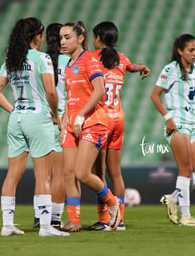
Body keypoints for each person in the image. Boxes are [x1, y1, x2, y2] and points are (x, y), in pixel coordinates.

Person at [0, 17, 69, 237]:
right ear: (36, 36)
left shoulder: (11, 60)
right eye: (41, 35)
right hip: (38, 119)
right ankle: (45, 226)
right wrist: (55, 116)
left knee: (13, 175)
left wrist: (13, 109)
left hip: (17, 120)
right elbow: (51, 92)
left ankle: (7, 225)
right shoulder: (42, 58)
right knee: (43, 176)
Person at [59, 21, 121, 232]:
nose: (63, 42)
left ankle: (113, 203)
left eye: (67, 37)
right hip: (71, 125)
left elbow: (99, 91)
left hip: (92, 123)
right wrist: (65, 120)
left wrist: (80, 117)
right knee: (68, 173)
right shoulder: (67, 65)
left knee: (82, 173)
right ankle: (74, 221)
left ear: (81, 38)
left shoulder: (90, 60)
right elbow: (70, 97)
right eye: (61, 38)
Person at [88, 21, 150, 231]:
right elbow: (134, 67)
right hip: (118, 120)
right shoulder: (121, 59)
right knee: (116, 173)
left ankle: (105, 219)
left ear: (97, 38)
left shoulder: (92, 59)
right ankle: (120, 220)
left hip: (102, 120)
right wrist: (143, 68)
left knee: (98, 173)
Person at [150, 34, 195, 226]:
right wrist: (167, 118)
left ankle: (173, 199)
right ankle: (186, 216)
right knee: (185, 169)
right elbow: (154, 96)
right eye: (191, 50)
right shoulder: (170, 70)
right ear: (180, 51)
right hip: (177, 124)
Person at [33, 23, 69, 229]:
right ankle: (54, 218)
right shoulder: (70, 62)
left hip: (41, 119)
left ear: (47, 40)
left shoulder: (41, 60)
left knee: (42, 174)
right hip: (63, 119)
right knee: (59, 174)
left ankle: (40, 216)